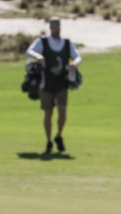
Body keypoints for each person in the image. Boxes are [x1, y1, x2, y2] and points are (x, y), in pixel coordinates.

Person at [26, 18, 81, 155]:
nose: (56, 29)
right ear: (50, 28)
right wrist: (38, 57)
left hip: (62, 82)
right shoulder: (43, 41)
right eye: (54, 27)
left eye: (58, 27)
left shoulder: (67, 43)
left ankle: (59, 136)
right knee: (48, 113)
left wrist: (74, 63)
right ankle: (49, 141)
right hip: (46, 83)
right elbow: (29, 52)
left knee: (62, 112)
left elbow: (77, 56)